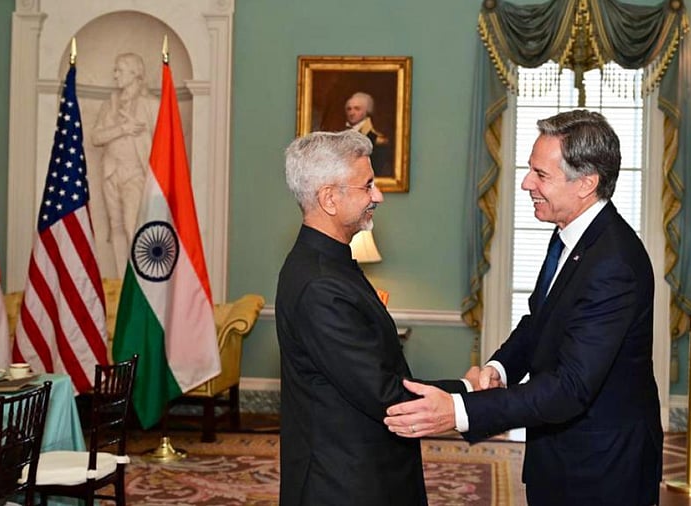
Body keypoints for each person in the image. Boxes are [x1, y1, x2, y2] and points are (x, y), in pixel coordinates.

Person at [384, 110, 663, 506]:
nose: (526, 183)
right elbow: (539, 322)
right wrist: (499, 368)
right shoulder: (569, 235)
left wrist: (461, 411)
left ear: (586, 183)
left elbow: (570, 387)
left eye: (541, 175)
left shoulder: (613, 262)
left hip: (601, 470)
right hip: (560, 454)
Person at [276, 129, 465, 505]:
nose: (377, 196)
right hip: (344, 484)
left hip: (361, 471)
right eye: (367, 186)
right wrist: (470, 392)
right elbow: (387, 394)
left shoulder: (330, 265)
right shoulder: (320, 285)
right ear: (330, 198)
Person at [91, 52, 160, 277]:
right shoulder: (110, 105)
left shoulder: (151, 104)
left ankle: (138, 281)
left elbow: (165, 142)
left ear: (134, 73)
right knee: (117, 228)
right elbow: (96, 137)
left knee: (135, 228)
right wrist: (123, 129)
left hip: (137, 173)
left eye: (119, 70)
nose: (115, 75)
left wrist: (139, 131)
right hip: (111, 172)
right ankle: (122, 280)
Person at [344, 92, 391, 176]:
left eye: (357, 109)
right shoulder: (344, 136)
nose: (352, 113)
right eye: (349, 109)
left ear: (367, 111)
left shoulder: (378, 140)